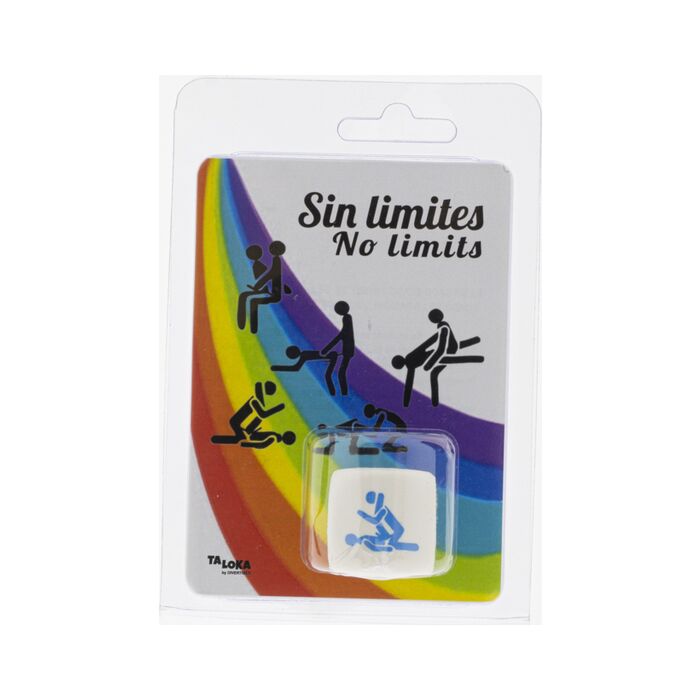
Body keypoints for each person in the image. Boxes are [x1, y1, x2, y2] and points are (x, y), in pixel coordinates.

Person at [211, 381, 295, 448]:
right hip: (236, 423)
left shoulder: (274, 436)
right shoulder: (255, 401)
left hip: (245, 430)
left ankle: (215, 440)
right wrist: (277, 408)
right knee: (238, 438)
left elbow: (262, 444)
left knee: (238, 438)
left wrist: (245, 443)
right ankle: (215, 440)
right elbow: (262, 414)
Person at [237, 241, 289, 334]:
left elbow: (269, 275)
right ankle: (243, 324)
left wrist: (257, 286)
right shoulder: (275, 261)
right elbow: (269, 276)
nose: (270, 249)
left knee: (252, 301)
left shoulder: (276, 261)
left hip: (273, 294)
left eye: (272, 248)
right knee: (243, 296)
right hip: (270, 290)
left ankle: (253, 329)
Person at [345, 491, 418, 552]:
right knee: (393, 544)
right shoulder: (363, 539)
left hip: (396, 531)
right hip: (387, 536)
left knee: (392, 543)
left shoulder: (381, 509)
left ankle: (412, 547)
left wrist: (364, 515)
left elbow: (376, 521)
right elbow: (374, 545)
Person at [270, 345, 339, 395]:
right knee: (327, 376)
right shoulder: (304, 354)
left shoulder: (304, 355)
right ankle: (333, 393)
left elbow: (296, 368)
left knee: (327, 376)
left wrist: (277, 368)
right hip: (331, 356)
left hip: (332, 357)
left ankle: (333, 393)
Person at [320, 300, 354, 395]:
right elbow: (343, 334)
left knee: (341, 373)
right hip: (347, 350)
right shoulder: (347, 317)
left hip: (347, 351)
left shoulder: (347, 318)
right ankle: (343, 393)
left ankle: (344, 393)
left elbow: (342, 335)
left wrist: (326, 349)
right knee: (341, 373)